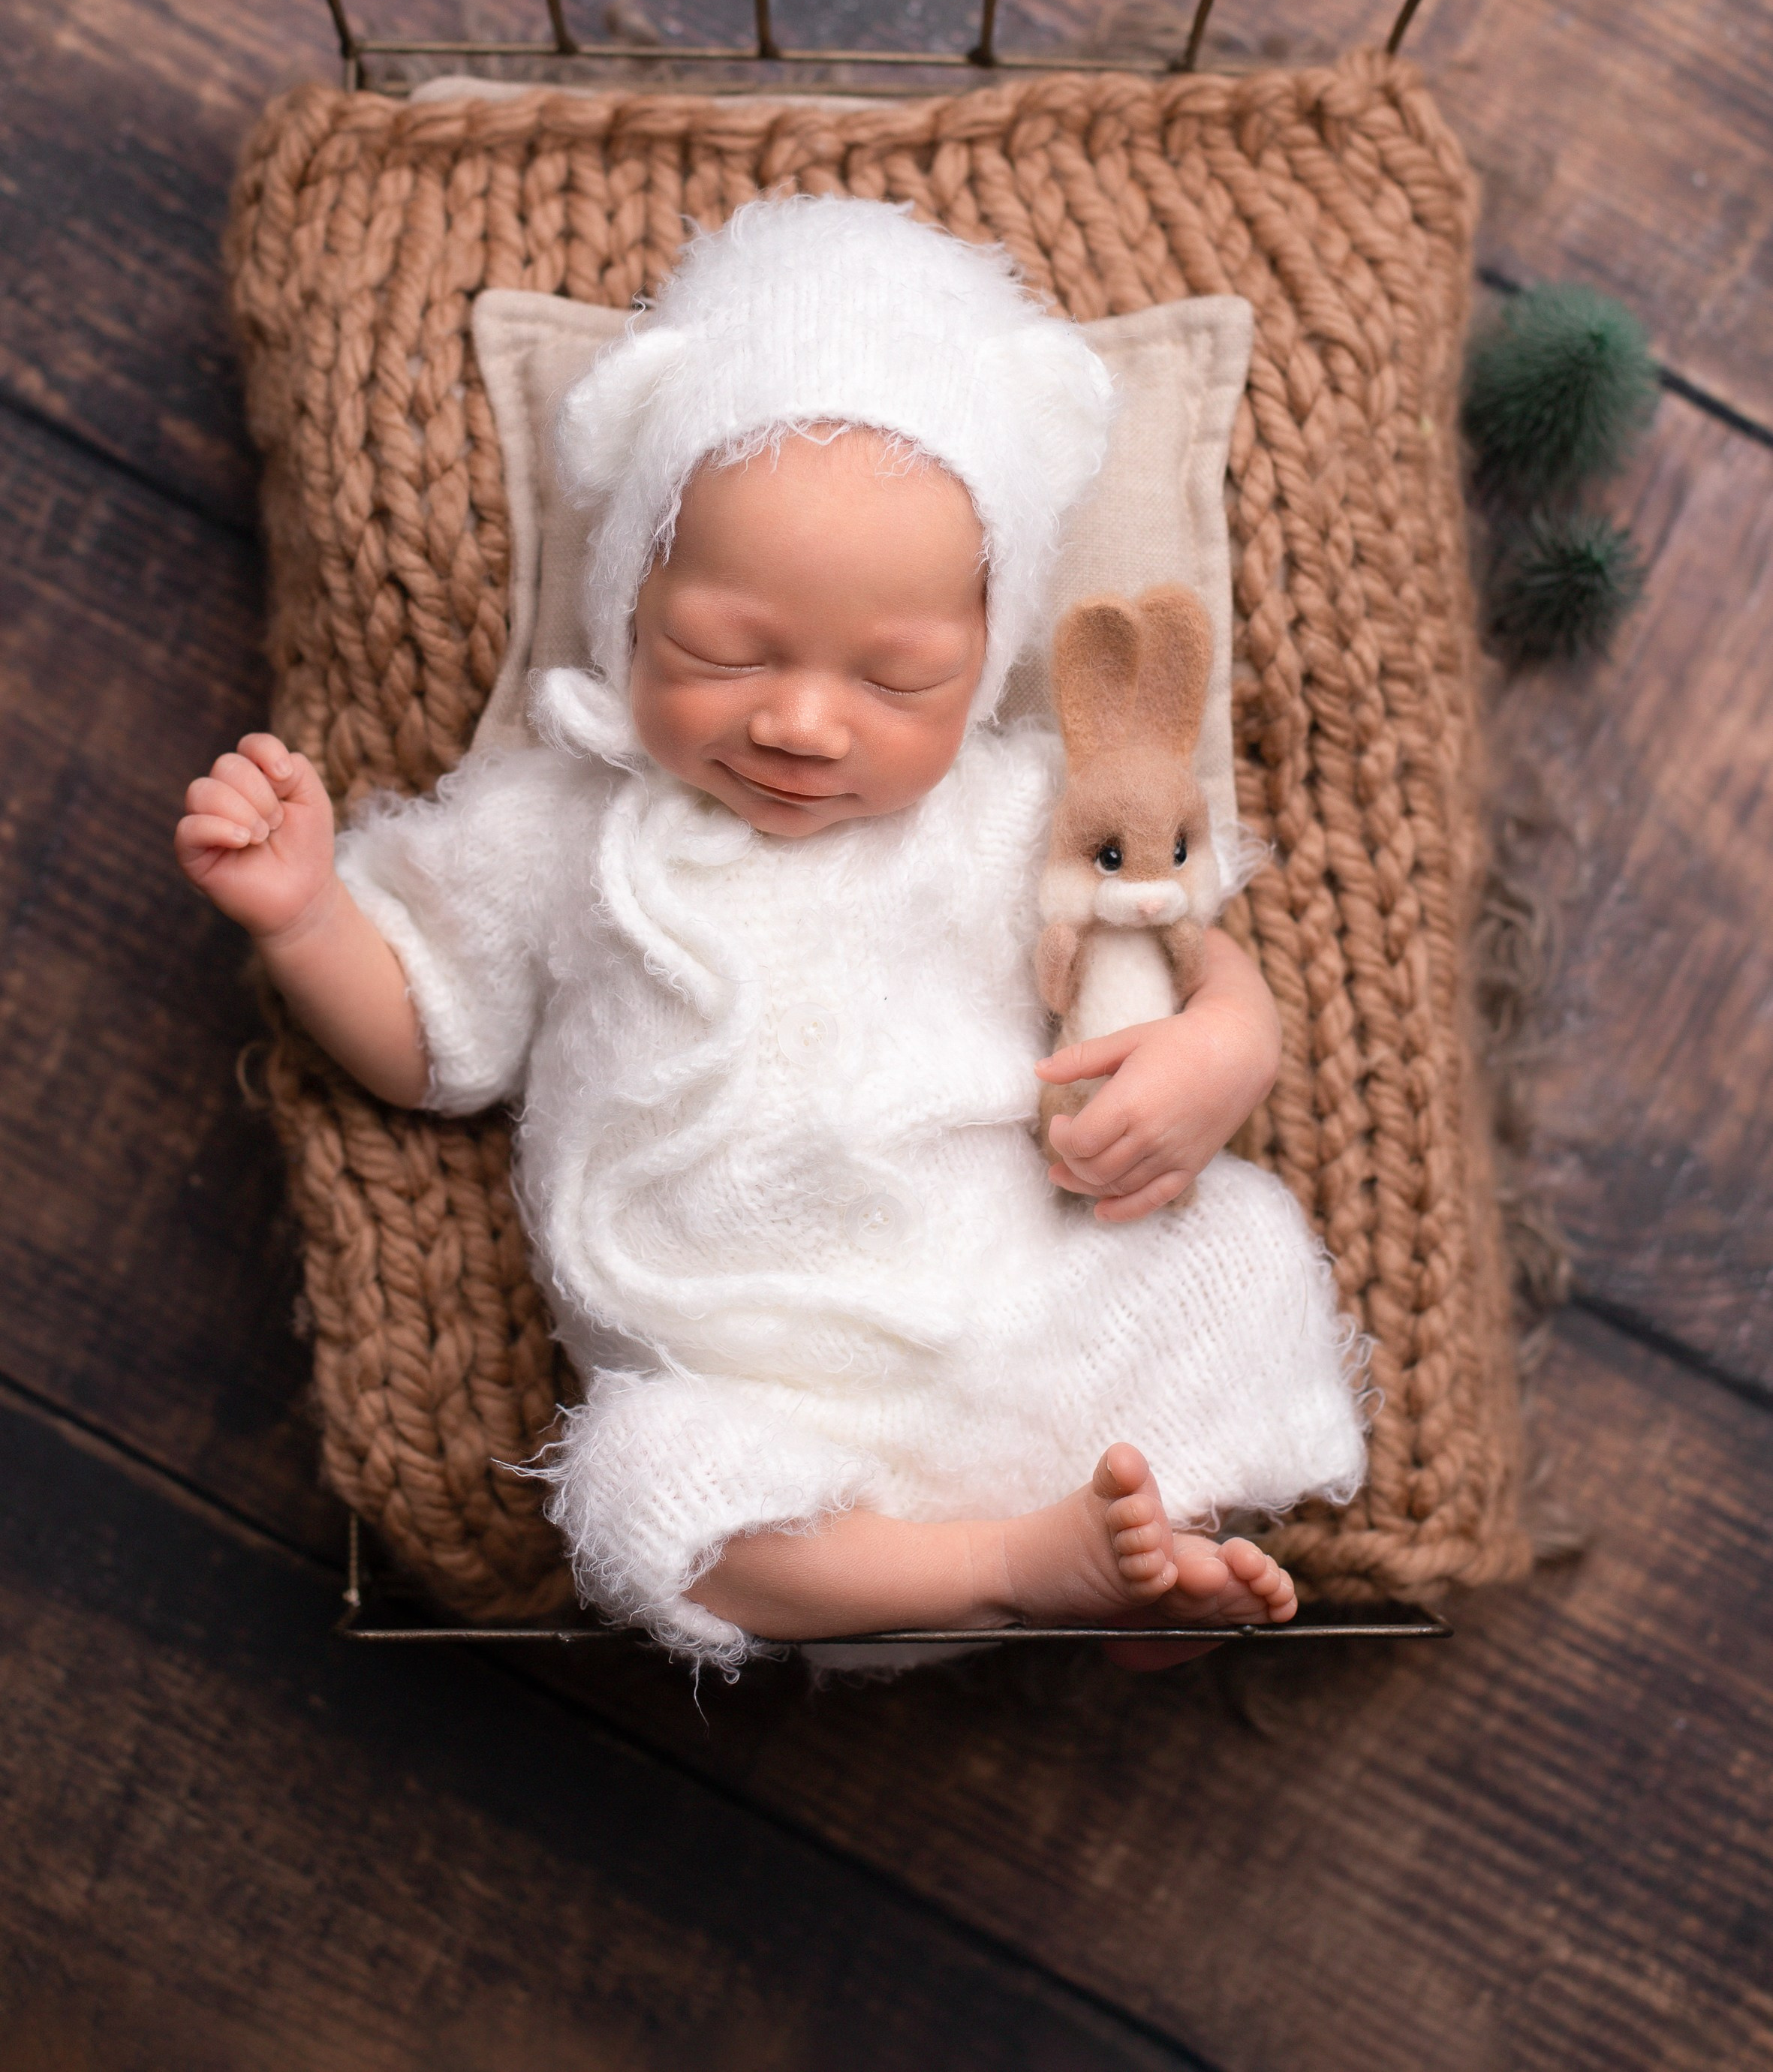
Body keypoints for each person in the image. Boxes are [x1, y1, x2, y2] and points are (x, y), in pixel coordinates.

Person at [176, 197, 1365, 1670]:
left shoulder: (1008, 813)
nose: (799, 719)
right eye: (723, 652)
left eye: (900, 678)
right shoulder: (559, 819)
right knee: (631, 1486)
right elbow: (432, 1039)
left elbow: (1174, 935)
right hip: (754, 1387)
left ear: (983, 666)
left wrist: (1219, 1048)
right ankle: (1016, 1566)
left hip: (1017, 1302)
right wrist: (304, 913)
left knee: (1240, 1250)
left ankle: (1140, 1559)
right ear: (626, 605)